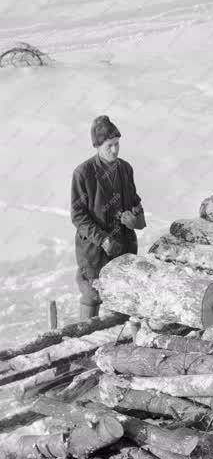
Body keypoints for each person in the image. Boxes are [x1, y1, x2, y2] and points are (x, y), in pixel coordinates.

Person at [71, 116, 146, 319]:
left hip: (124, 245)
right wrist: (102, 239)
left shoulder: (125, 169)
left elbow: (135, 202)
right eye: (109, 145)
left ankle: (120, 343)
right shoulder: (83, 173)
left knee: (123, 293)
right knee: (92, 293)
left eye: (117, 144)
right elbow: (78, 216)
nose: (115, 150)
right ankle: (83, 343)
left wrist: (135, 217)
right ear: (97, 146)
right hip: (94, 249)